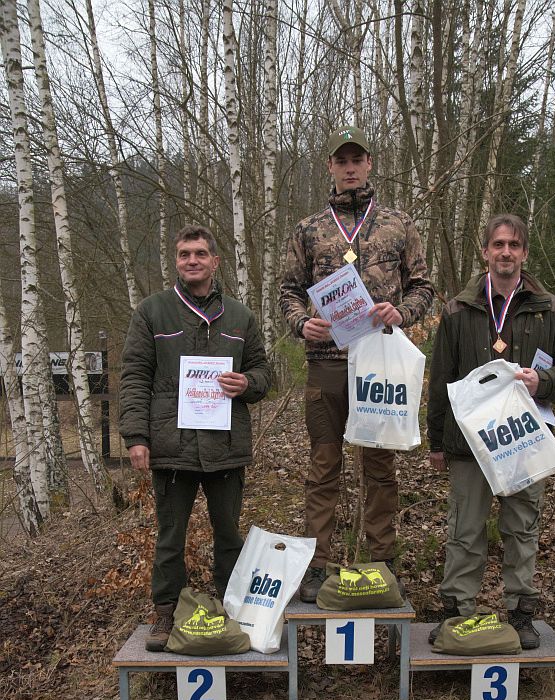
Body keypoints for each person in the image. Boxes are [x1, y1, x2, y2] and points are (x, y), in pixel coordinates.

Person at [279, 126, 434, 601]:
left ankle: (383, 561)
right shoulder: (309, 229)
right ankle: (317, 566)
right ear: (330, 166)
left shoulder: (398, 224)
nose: (349, 168)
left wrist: (401, 313)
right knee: (323, 465)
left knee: (380, 466)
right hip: (327, 363)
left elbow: (423, 286)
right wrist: (301, 322)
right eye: (341, 161)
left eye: (356, 160)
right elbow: (288, 291)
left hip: (379, 365)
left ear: (369, 163)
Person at [427, 214, 555, 648]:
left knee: (522, 527)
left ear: (524, 253)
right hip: (469, 444)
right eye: (498, 244)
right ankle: (457, 612)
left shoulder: (552, 310)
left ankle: (520, 613)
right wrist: (437, 442)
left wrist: (544, 382)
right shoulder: (458, 309)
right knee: (465, 529)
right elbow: (441, 378)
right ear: (485, 252)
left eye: (514, 245)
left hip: (523, 438)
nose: (505, 252)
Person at [120, 224, 271, 650]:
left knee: (229, 535)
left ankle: (232, 611)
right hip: (172, 445)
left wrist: (248, 383)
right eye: (185, 254)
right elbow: (134, 376)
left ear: (215, 261)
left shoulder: (240, 316)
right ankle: (165, 613)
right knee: (171, 537)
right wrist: (136, 435)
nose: (192, 261)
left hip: (225, 446)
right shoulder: (153, 311)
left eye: (200, 253)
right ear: (176, 261)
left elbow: (264, 372)